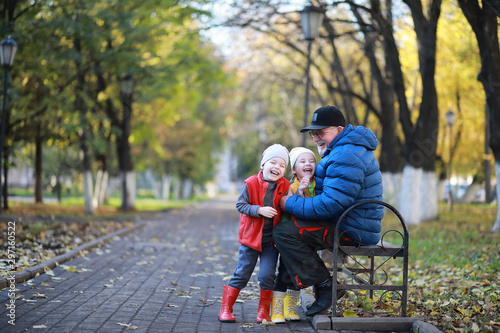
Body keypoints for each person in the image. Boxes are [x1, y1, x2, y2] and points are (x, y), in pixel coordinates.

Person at [273, 105, 384, 317]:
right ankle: (317, 284)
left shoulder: (346, 155)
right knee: (291, 229)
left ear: (339, 130)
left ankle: (325, 286)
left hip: (352, 231)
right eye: (314, 134)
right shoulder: (346, 149)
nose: (316, 138)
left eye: (321, 132)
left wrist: (289, 204)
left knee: (283, 233)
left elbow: (330, 204)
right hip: (351, 223)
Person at [219, 144, 291, 323]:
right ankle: (226, 309)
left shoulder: (285, 184)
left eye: (282, 165)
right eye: (273, 162)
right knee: (242, 273)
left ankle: (262, 312)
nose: (277, 167)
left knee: (267, 275)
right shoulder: (250, 183)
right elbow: (240, 205)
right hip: (250, 240)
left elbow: (289, 205)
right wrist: (259, 210)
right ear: (263, 164)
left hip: (271, 242)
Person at [271, 147, 317, 323]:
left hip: (309, 238)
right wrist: (301, 190)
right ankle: (276, 310)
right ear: (294, 169)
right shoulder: (292, 187)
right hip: (291, 237)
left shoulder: (319, 185)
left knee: (299, 273)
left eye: (311, 161)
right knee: (284, 271)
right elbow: (290, 207)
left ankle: (290, 308)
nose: (308, 164)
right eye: (303, 161)